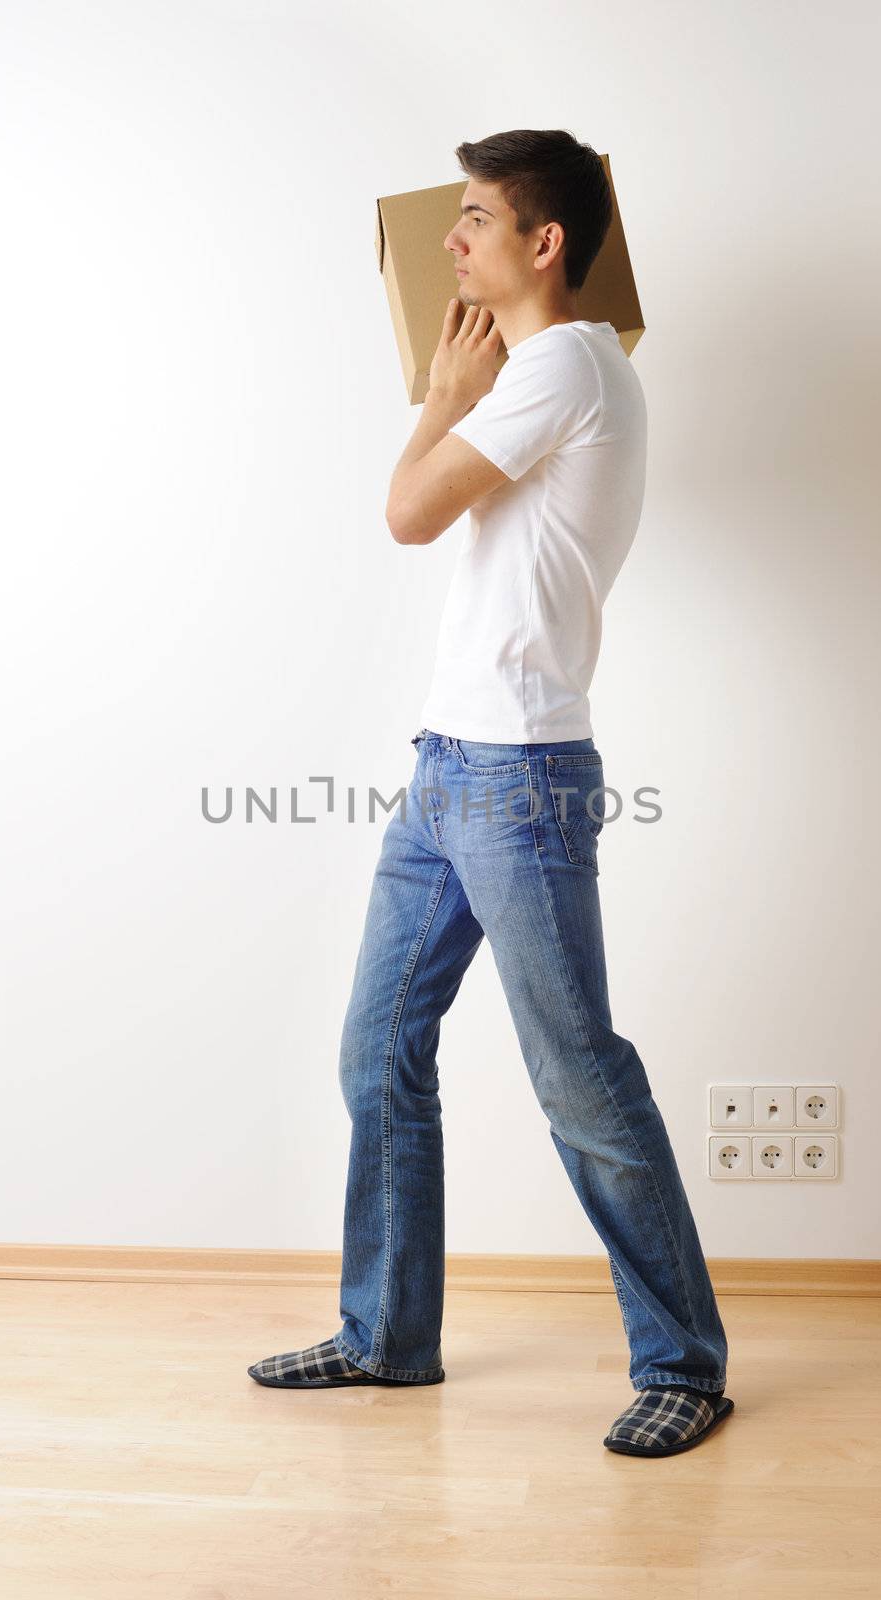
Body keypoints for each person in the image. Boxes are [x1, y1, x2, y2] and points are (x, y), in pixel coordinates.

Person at [249, 128, 733, 1459]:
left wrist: (439, 396)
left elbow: (409, 512)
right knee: (378, 1049)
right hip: (445, 766)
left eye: (472, 219)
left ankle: (685, 1363)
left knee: (580, 1075)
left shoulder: (566, 364)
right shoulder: (549, 369)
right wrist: (467, 381)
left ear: (544, 244)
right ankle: (388, 1337)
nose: (448, 242)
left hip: (518, 777)